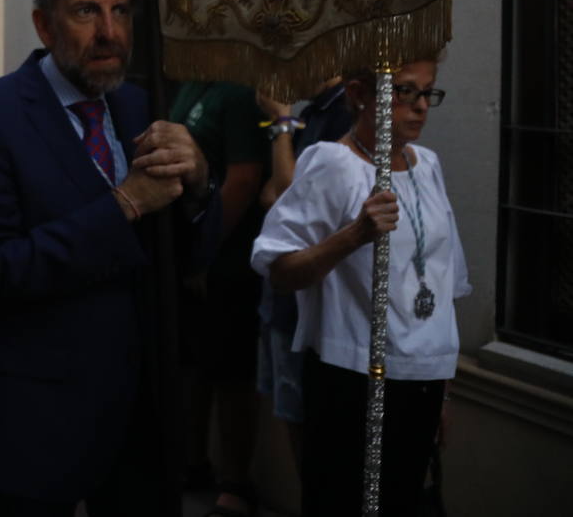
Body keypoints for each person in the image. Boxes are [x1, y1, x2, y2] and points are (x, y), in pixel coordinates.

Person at [0, 0, 218, 515]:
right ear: (44, 26)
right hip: (37, 424)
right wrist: (122, 205)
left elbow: (186, 258)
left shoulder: (142, 106)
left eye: (120, 11)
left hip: (141, 423)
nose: (109, 32)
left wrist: (197, 187)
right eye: (86, 11)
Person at [251, 60, 468, 517]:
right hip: (354, 378)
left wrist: (441, 387)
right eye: (405, 92)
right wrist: (353, 235)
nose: (421, 107)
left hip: (422, 379)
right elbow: (281, 268)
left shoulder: (427, 164)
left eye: (429, 93)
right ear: (358, 94)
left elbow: (443, 285)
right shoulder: (333, 164)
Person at [167, 81, 267, 517]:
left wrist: (205, 249)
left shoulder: (238, 94)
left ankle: (236, 483)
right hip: (191, 260)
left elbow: (244, 177)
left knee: (231, 372)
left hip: (229, 260)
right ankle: (193, 463)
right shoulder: (190, 87)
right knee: (194, 365)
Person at [253, 77, 350, 472]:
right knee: (293, 417)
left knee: (314, 431)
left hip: (311, 304)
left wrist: (281, 121)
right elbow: (272, 197)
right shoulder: (316, 110)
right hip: (282, 296)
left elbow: (284, 196)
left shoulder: (343, 111)